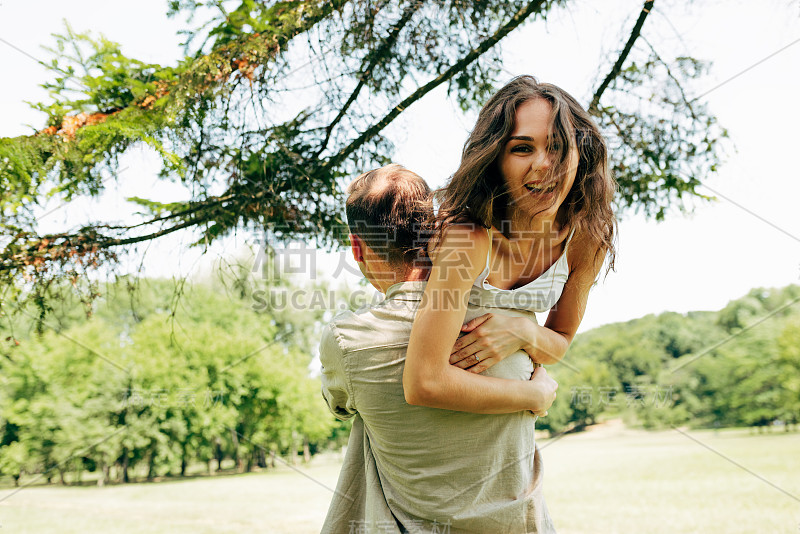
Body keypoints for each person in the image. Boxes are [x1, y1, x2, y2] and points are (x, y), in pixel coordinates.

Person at [319, 164, 559, 533]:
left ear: (357, 247)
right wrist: (535, 393)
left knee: (368, 416)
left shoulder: (348, 339)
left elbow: (339, 404)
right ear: (433, 231)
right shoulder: (505, 322)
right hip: (521, 526)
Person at [403, 76, 616, 412]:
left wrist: (521, 329)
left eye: (558, 146)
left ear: (580, 154)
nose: (544, 164)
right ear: (495, 159)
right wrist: (535, 396)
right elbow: (423, 382)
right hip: (428, 434)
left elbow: (558, 343)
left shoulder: (587, 239)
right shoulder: (466, 235)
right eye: (522, 148)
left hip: (509, 444)